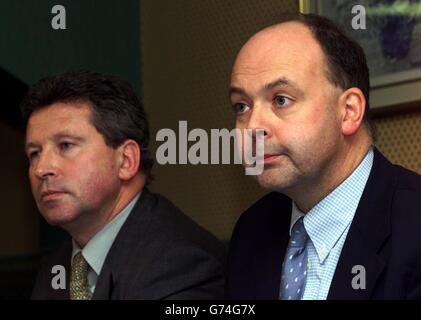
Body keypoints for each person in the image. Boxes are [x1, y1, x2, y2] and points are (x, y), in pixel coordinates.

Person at [227, 14, 421, 300]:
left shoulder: (414, 227)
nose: (252, 128)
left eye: (281, 100)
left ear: (349, 111)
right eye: (242, 106)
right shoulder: (252, 230)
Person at [22, 71, 226, 299]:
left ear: (126, 161)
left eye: (66, 145)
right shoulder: (57, 267)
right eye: (34, 153)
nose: (41, 169)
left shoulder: (180, 264)